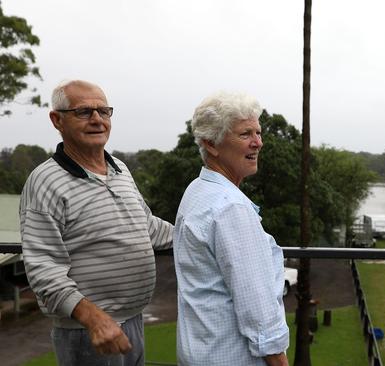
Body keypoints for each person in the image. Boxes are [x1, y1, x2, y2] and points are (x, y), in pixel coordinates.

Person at [19, 80, 173, 366]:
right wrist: (94, 318)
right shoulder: (44, 182)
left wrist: (200, 235)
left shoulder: (120, 168)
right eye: (84, 112)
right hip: (90, 332)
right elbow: (43, 268)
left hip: (131, 322)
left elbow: (148, 227)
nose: (97, 120)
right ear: (57, 120)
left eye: (104, 111)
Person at [174, 92, 289, 366]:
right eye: (245, 134)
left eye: (258, 132)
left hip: (200, 352)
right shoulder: (230, 208)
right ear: (211, 144)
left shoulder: (197, 190)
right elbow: (259, 312)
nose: (258, 142)